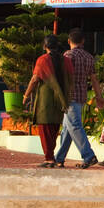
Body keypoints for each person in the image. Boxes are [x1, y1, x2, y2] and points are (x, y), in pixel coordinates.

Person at [54, 29, 104, 168]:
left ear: (69, 41)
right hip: (81, 96)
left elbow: (62, 77)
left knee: (74, 126)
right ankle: (59, 158)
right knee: (67, 128)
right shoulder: (89, 57)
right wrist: (99, 97)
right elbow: (94, 80)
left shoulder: (67, 55)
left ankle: (88, 155)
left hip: (69, 96)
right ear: (83, 41)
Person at [22, 35, 73, 168]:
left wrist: (26, 95)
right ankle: (51, 157)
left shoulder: (42, 59)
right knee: (54, 129)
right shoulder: (66, 60)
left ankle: (49, 158)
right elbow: (70, 79)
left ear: (45, 47)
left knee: (44, 129)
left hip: (46, 99)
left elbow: (34, 79)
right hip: (60, 99)